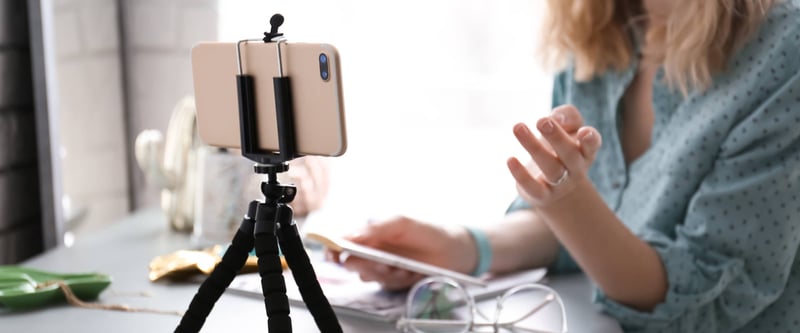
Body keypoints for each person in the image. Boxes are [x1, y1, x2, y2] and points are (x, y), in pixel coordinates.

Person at [331, 0, 800, 332]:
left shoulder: (784, 48)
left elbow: (697, 295)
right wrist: (463, 247)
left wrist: (570, 199)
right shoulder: (600, 27)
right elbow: (570, 230)